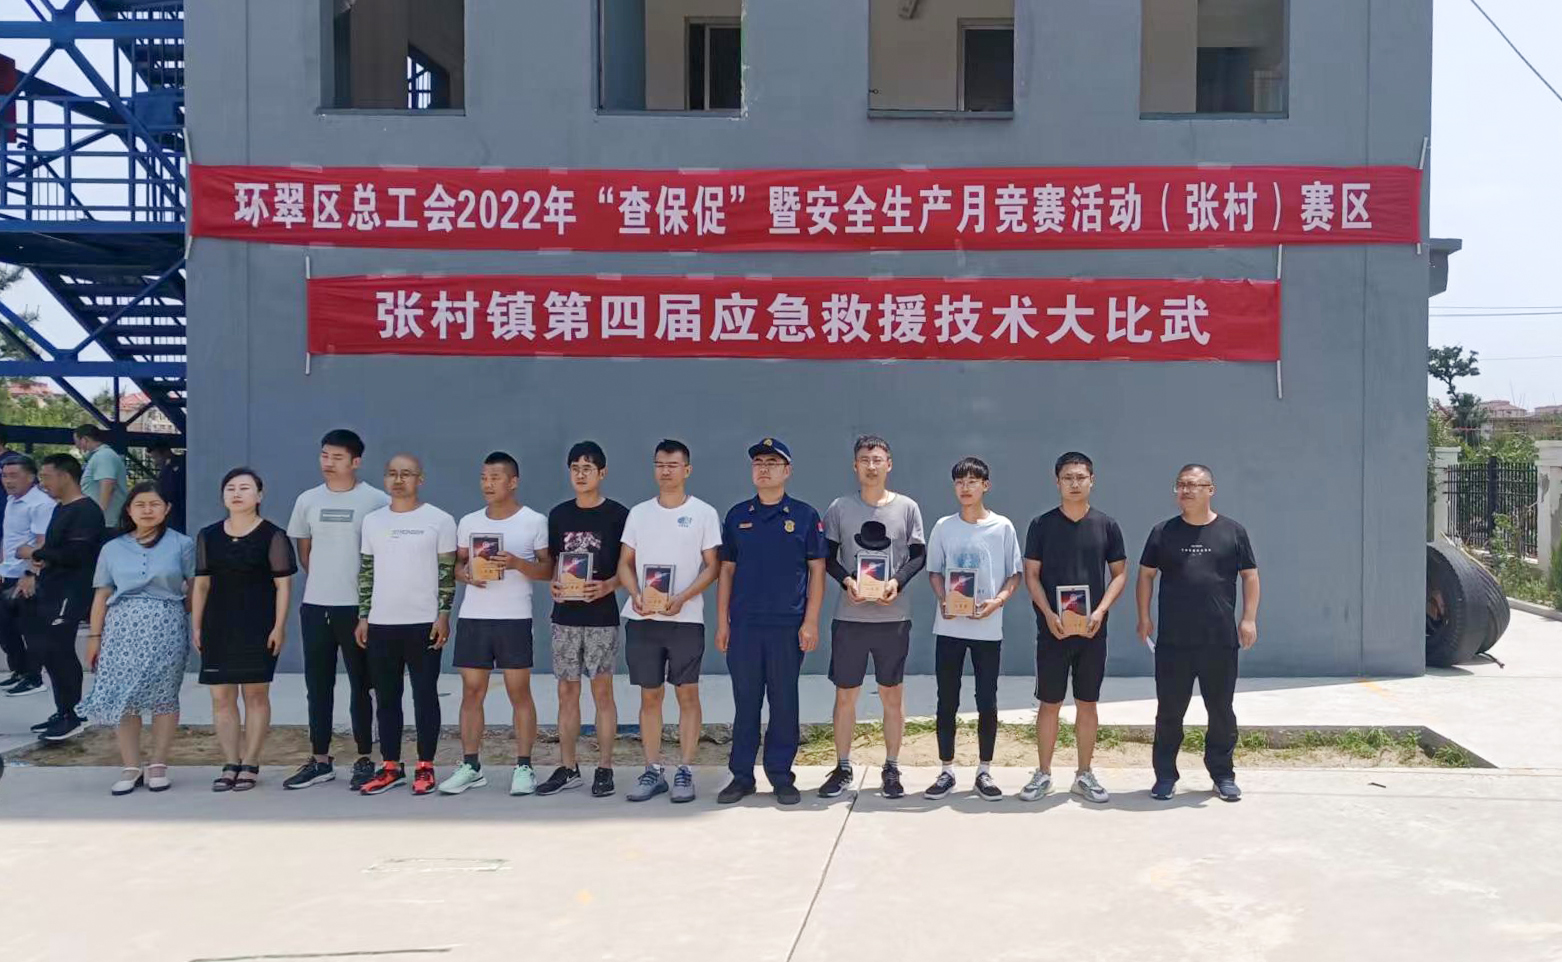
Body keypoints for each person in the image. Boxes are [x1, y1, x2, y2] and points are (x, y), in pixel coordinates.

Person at [1137, 464, 1260, 803]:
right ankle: (1165, 775)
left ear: (1211, 490)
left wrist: (1248, 619)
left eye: (1194, 485)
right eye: (1181, 485)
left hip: (1219, 640)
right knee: (1169, 712)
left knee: (1221, 710)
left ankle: (1222, 774)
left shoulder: (1233, 531)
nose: (1186, 490)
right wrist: (1143, 616)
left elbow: (1250, 576)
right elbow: (1146, 575)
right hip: (1174, 642)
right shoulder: (1163, 532)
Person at [716, 437, 827, 806]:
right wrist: (722, 622)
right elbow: (726, 571)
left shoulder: (805, 516)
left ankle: (781, 775)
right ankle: (741, 776)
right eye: (758, 463)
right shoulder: (737, 516)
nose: (763, 469)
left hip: (787, 625)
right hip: (745, 625)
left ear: (787, 471)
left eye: (772, 463)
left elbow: (817, 571)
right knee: (746, 702)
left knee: (784, 702)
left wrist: (810, 621)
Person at [438, 451, 552, 797]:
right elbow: (456, 567)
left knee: (519, 692)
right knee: (472, 691)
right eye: (484, 478)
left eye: (495, 478)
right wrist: (467, 575)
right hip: (474, 617)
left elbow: (548, 570)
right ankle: (471, 765)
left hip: (514, 618)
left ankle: (524, 766)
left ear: (513, 482)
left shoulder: (533, 521)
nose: (488, 484)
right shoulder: (469, 521)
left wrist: (517, 563)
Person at [817, 435, 925, 800]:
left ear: (889, 464)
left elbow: (918, 556)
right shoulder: (839, 508)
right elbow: (827, 556)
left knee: (891, 695)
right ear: (855, 465)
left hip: (893, 618)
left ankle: (891, 767)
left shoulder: (907, 507)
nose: (871, 465)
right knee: (845, 695)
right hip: (850, 618)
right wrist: (847, 581)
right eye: (864, 459)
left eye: (878, 459)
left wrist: (897, 582)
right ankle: (843, 766)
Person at [284, 429, 390, 792]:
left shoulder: (375, 501)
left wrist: (366, 607)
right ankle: (320, 759)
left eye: (338, 457)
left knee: (363, 685)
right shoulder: (307, 500)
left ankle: (365, 758)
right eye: (324, 456)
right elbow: (305, 553)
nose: (328, 463)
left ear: (356, 462)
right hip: (316, 606)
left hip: (358, 609)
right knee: (318, 685)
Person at [617, 440, 721, 803]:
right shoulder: (639, 513)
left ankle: (685, 770)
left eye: (673, 465)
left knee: (687, 693)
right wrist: (634, 593)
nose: (665, 471)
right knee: (650, 695)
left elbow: (713, 566)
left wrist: (683, 597)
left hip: (685, 619)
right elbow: (624, 564)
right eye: (660, 464)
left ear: (686, 470)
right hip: (643, 618)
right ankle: (652, 769)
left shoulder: (704, 513)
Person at [1019, 452, 1127, 804]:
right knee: (1049, 703)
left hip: (1092, 632)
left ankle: (1084, 774)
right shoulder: (1041, 525)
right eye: (1068, 478)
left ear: (1092, 480)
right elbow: (1031, 575)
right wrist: (1049, 613)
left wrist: (1100, 610)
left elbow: (1119, 574)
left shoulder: (1106, 525)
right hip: (1053, 631)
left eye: (1081, 477)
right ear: (1057, 482)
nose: (1075, 483)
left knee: (1087, 703)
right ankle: (1043, 773)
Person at [80, 483, 195, 795]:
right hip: (121, 629)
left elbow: (195, 587)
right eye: (140, 504)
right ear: (129, 510)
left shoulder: (182, 544)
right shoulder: (112, 548)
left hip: (167, 626)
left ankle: (158, 763)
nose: (147, 510)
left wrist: (178, 613)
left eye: (154, 504)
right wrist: (94, 636)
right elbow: (102, 593)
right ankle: (131, 765)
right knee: (125, 697)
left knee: (164, 695)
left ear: (166, 508)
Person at [355, 454, 457, 796]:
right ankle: (390, 766)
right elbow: (366, 572)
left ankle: (425, 765)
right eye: (392, 474)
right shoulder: (373, 521)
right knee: (386, 698)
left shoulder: (439, 520)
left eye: (407, 474)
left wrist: (444, 614)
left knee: (425, 695)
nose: (399, 480)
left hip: (423, 623)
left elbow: (447, 574)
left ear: (420, 479)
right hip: (382, 623)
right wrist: (364, 615)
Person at [191, 468, 298, 792]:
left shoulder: (273, 535)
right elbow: (201, 585)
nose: (237, 494)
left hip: (258, 625)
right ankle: (230, 762)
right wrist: (196, 625)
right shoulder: (208, 535)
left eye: (245, 488)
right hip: (218, 625)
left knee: (255, 695)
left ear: (259, 495)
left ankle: (250, 762)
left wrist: (279, 626)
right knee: (221, 696)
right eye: (230, 488)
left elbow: (283, 586)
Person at [924, 457, 1023, 802]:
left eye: (972, 481)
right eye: (959, 482)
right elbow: (934, 571)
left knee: (987, 700)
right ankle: (946, 769)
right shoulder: (944, 527)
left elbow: (1014, 574)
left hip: (987, 629)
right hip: (950, 627)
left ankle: (984, 770)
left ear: (986, 486)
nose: (965, 488)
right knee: (946, 699)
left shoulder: (1002, 527)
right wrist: (943, 599)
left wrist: (998, 602)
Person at [541, 441, 628, 799]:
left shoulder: (618, 515)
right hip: (565, 616)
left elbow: (629, 566)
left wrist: (609, 585)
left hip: (601, 617)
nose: (580, 474)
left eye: (588, 468)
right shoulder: (559, 515)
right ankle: (568, 766)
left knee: (602, 691)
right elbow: (553, 564)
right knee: (566, 691)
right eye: (575, 468)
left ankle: (605, 767)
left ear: (602, 473)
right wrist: (554, 585)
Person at [19, 454, 104, 741]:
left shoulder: (87, 511)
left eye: (46, 476)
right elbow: (57, 549)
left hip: (72, 591)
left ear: (65, 476)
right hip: (51, 588)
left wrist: (35, 552)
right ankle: (63, 710)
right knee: (49, 651)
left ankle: (73, 714)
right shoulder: (60, 509)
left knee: (60, 650)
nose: (42, 483)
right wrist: (38, 565)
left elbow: (77, 555)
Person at [1, 455, 54, 697]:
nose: (7, 481)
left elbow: (43, 543)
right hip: (7, 572)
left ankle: (34, 678)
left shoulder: (41, 504)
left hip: (27, 576)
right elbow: (9, 536)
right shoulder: (12, 500)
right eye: (4, 476)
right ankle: (20, 671)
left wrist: (31, 574)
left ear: (31, 477)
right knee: (6, 628)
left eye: (14, 475)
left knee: (30, 629)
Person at [74, 424, 129, 534]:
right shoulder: (101, 455)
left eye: (77, 442)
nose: (77, 446)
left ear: (85, 439)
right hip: (105, 521)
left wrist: (98, 515)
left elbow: (107, 484)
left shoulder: (103, 456)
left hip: (106, 522)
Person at [147, 441, 187, 534]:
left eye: (156, 457)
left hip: (178, 513)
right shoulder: (166, 470)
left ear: (166, 453)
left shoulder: (179, 466)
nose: (155, 462)